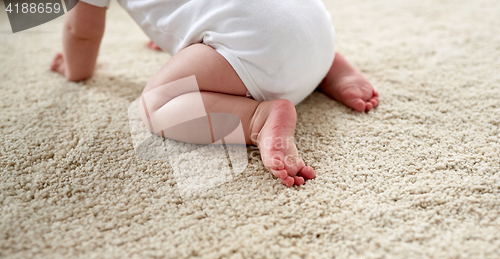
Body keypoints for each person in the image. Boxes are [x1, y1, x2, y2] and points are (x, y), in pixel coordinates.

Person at [51, 0, 379, 187]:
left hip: (260, 53)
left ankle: (258, 117)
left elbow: (81, 33)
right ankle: (330, 66)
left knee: (156, 105)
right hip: (313, 29)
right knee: (260, 22)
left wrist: (75, 69)